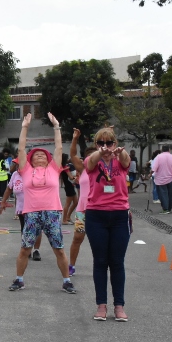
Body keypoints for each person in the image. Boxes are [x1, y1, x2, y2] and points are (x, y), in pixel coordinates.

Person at [8, 113, 75, 294]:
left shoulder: (54, 169)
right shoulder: (26, 170)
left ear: (48, 159)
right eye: (36, 155)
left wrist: (56, 126)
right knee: (25, 249)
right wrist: (24, 127)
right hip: (31, 214)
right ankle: (19, 280)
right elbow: (21, 149)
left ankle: (67, 281)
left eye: (43, 155)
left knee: (59, 249)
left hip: (52, 213)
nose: (40, 156)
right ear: (30, 160)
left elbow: (59, 147)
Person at [84, 127, 131, 321]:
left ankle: (119, 306)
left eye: (109, 143)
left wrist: (119, 152)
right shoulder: (92, 160)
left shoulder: (120, 160)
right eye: (101, 143)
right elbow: (90, 162)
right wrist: (100, 152)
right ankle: (101, 305)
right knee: (100, 261)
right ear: (96, 144)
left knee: (117, 262)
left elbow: (126, 161)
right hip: (96, 215)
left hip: (119, 214)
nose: (105, 146)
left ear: (115, 143)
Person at [67, 129, 95, 277]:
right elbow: (73, 155)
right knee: (77, 238)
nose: (91, 158)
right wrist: (75, 139)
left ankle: (102, 265)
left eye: (94, 155)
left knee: (99, 241)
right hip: (83, 211)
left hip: (98, 209)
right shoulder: (82, 169)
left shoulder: (105, 171)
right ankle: (71, 266)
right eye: (88, 156)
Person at [152, 145, 172, 215]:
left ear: (162, 150)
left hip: (160, 179)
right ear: (169, 150)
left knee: (163, 194)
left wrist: (150, 174)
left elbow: (154, 168)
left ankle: (165, 208)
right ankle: (169, 208)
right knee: (170, 194)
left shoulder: (158, 157)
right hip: (171, 178)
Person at [60, 153, 77, 225]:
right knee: (68, 203)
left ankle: (68, 217)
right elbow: (71, 177)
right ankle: (64, 219)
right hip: (69, 185)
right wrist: (76, 177)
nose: (67, 159)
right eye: (67, 158)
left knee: (76, 202)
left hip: (69, 186)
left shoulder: (62, 167)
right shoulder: (66, 168)